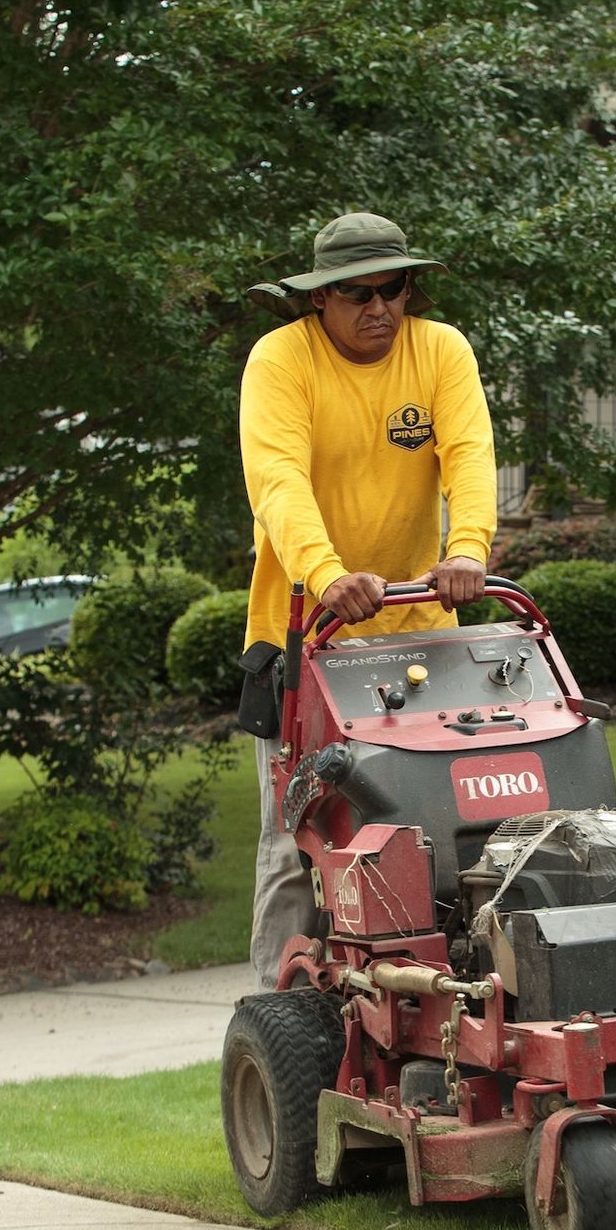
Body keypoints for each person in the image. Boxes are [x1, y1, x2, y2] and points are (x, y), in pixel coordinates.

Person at [239, 212, 497, 989]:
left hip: (423, 632)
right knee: (298, 836)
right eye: (359, 293)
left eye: (396, 289)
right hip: (307, 639)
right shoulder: (281, 361)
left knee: (444, 822)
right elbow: (278, 481)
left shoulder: (440, 349)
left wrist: (468, 549)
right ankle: (275, 1015)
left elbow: (471, 455)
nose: (381, 308)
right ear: (320, 299)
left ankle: (436, 993)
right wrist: (327, 575)